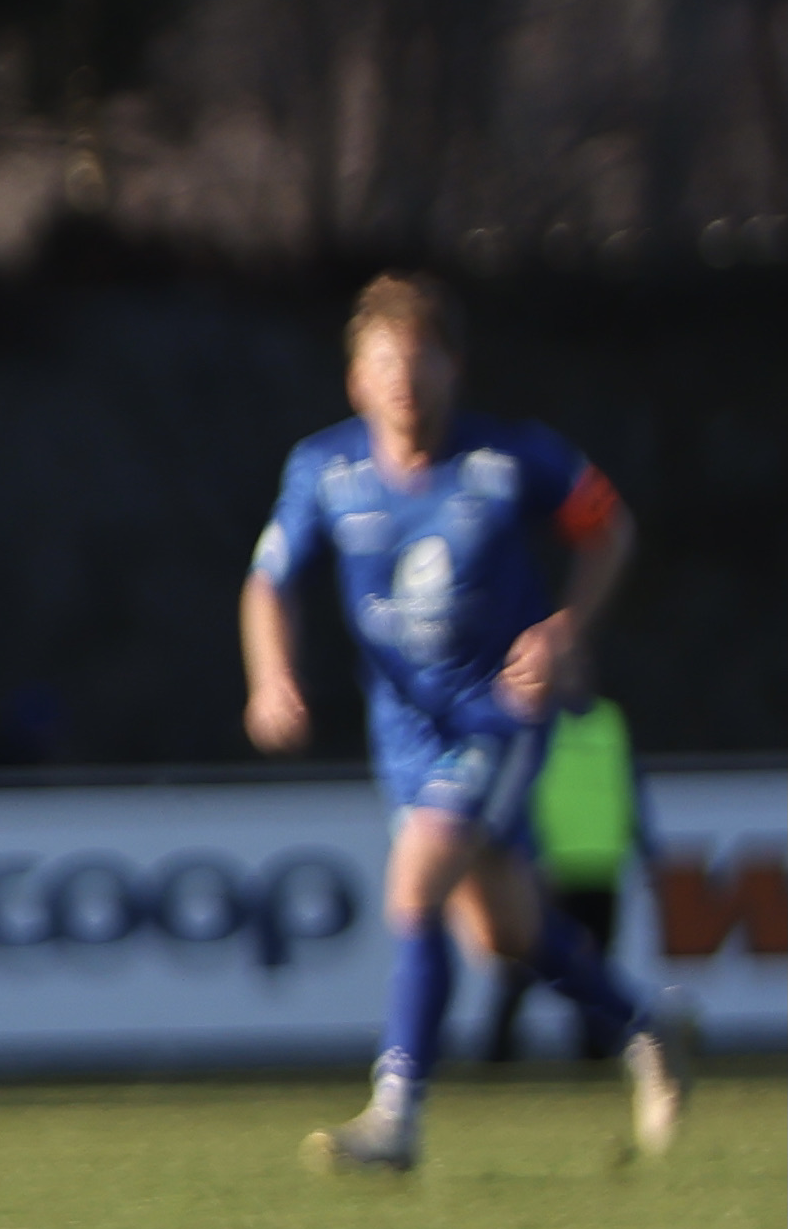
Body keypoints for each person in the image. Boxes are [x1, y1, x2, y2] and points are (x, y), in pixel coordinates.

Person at [244, 274, 684, 1169]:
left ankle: (395, 1116)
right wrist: (270, 676)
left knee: (415, 882)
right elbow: (267, 583)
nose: (403, 381)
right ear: (354, 380)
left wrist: (563, 628)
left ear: (453, 367)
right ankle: (643, 1028)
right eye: (383, 364)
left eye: (419, 361)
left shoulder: (510, 458)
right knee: (502, 936)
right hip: (404, 729)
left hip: (500, 712)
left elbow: (608, 528)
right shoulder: (323, 470)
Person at [481, 695, 635, 1070]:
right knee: (527, 958)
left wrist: (644, 844)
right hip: (551, 864)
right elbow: (518, 791)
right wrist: (529, 853)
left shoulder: (608, 718)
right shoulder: (532, 718)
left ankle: (594, 1053)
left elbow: (628, 782)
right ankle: (497, 1053)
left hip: (601, 861)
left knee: (592, 961)